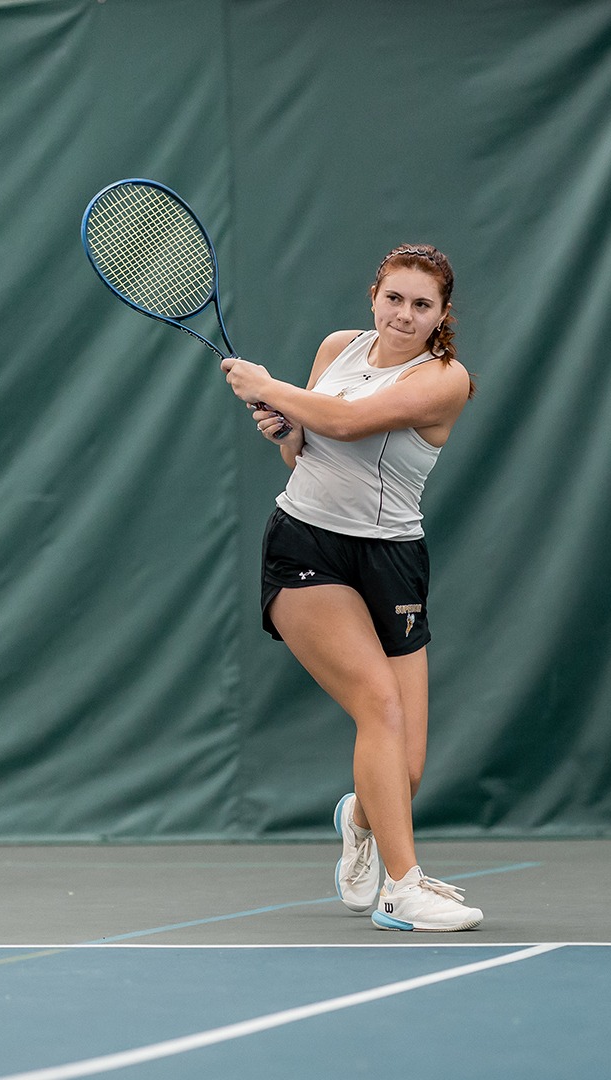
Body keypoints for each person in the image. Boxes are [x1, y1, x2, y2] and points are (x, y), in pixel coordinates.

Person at [220, 243, 480, 932]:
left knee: (409, 765)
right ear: (374, 294)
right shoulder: (337, 348)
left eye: (421, 304)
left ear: (441, 315)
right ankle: (402, 888)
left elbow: (347, 421)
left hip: (393, 558)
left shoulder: (446, 380)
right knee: (379, 708)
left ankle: (359, 819)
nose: (404, 313)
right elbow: (302, 442)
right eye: (394, 297)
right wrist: (283, 424)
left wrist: (267, 387)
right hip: (307, 544)